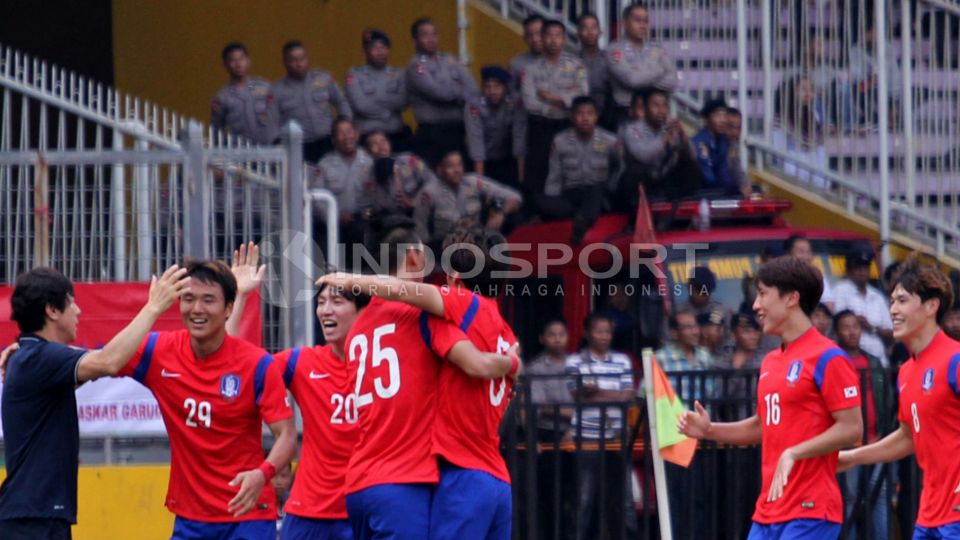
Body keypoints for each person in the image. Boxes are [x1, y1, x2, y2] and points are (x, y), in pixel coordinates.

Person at [315, 216, 518, 540]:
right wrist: (511, 363)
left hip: (359, 483)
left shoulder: (359, 328)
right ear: (414, 257)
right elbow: (478, 365)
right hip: (412, 482)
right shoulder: (434, 317)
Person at [679, 256, 863, 540]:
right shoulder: (771, 361)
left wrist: (795, 452)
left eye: (763, 294)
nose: (756, 305)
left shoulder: (829, 357)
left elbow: (852, 427)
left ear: (791, 298)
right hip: (768, 509)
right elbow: (763, 425)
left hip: (810, 510)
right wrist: (709, 430)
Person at [0, 266, 188, 540]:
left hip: (35, 515)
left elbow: (96, 361)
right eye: (71, 303)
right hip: (32, 519)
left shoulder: (33, 357)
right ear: (52, 310)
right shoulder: (39, 358)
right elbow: (109, 361)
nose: (78, 311)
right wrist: (153, 307)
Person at [117, 259, 298, 539]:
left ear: (228, 308)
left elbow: (286, 436)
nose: (197, 309)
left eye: (208, 300)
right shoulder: (158, 351)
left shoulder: (258, 364)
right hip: (191, 517)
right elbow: (101, 360)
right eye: (188, 298)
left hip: (247, 514)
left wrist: (262, 473)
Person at [225, 244, 367, 540]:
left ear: (362, 311)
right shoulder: (302, 362)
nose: (325, 310)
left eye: (337, 302)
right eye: (321, 301)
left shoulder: (382, 366)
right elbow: (232, 362)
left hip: (363, 507)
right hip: (308, 510)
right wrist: (240, 295)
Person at [838, 253, 960, 539]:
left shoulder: (954, 359)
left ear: (931, 306)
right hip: (931, 512)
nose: (893, 309)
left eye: (902, 300)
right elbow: (908, 436)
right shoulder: (906, 371)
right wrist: (854, 457)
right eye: (892, 300)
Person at [565, 312, 637, 540]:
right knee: (584, 498)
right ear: (587, 333)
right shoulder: (574, 361)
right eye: (599, 331)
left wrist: (597, 393)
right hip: (585, 437)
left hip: (616, 436)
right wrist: (612, 394)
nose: (604, 336)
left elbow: (628, 395)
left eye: (607, 331)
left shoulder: (623, 361)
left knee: (624, 499)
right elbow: (576, 394)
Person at [833, 309, 889, 540]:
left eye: (855, 326)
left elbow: (886, 401)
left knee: (879, 497)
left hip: (876, 442)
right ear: (837, 331)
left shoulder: (873, 362)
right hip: (849, 446)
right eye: (846, 326)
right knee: (850, 500)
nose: (852, 331)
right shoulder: (834, 361)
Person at [521, 19, 589, 203]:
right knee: (539, 171)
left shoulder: (577, 65)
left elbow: (583, 93)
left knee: (569, 169)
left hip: (566, 126)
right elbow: (529, 102)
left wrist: (554, 98)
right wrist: (559, 105)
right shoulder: (530, 69)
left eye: (558, 35)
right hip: (540, 127)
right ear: (542, 38)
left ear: (564, 39)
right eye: (549, 36)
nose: (553, 40)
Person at [537, 96, 620, 245]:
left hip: (600, 194)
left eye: (590, 113)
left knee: (596, 191)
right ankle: (581, 217)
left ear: (596, 116)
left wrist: (611, 188)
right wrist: (551, 204)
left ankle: (581, 225)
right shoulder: (560, 141)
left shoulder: (610, 141)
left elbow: (620, 168)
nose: (585, 118)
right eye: (580, 114)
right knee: (539, 202)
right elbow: (554, 177)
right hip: (572, 196)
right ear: (572, 116)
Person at [413, 150, 521, 250]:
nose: (457, 170)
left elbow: (515, 197)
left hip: (477, 244)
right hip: (445, 249)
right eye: (450, 166)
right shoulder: (428, 193)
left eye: (459, 165)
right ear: (440, 169)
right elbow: (420, 230)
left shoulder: (474, 183)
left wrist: (500, 214)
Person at [406, 17, 478, 166]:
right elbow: (439, 93)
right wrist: (459, 90)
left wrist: (456, 91)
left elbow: (472, 87)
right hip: (432, 134)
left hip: (457, 132)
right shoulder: (416, 66)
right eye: (425, 35)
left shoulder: (449, 59)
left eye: (434, 34)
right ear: (415, 40)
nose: (431, 39)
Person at [272, 41, 351, 163]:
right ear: (285, 62)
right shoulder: (277, 91)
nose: (299, 64)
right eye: (293, 60)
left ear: (307, 58)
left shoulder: (324, 79)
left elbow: (342, 102)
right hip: (298, 147)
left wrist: (344, 123)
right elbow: (273, 123)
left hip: (327, 142)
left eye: (302, 59)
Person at [619, 88, 701, 206]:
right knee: (635, 174)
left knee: (690, 167)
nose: (661, 110)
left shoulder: (668, 127)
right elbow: (644, 156)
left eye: (664, 106)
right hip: (641, 179)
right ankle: (636, 219)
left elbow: (694, 156)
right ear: (646, 109)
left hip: (663, 177)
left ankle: (685, 210)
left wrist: (683, 136)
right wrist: (665, 137)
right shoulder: (633, 129)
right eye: (656, 105)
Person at [606, 3, 677, 126]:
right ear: (624, 23)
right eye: (637, 20)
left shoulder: (656, 48)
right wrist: (660, 71)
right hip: (626, 113)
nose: (643, 25)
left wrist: (642, 76)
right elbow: (632, 80)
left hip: (655, 116)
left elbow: (672, 81)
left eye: (646, 21)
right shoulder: (614, 50)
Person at [346, 30, 411, 153]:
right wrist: (386, 112)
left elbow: (403, 101)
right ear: (365, 51)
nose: (380, 52)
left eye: (383, 47)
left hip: (395, 136)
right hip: (366, 137)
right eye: (374, 48)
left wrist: (375, 102)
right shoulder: (354, 74)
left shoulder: (399, 74)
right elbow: (360, 105)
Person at [313, 117, 375, 244]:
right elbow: (317, 200)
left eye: (349, 131)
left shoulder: (370, 161)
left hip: (364, 222)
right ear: (334, 140)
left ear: (357, 134)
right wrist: (336, 217)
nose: (347, 137)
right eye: (341, 133)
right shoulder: (324, 164)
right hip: (333, 225)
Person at [465, 66, 525, 187]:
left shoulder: (514, 102)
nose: (492, 91)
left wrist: (521, 180)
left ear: (505, 88)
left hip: (507, 158)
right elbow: (476, 144)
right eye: (487, 86)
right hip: (481, 161)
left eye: (497, 86)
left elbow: (519, 139)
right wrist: (480, 183)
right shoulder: (474, 105)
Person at [833, 250, 893, 366]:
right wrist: (855, 322)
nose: (862, 272)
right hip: (850, 361)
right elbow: (836, 324)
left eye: (865, 268)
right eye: (858, 268)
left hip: (879, 362)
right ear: (849, 270)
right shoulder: (840, 290)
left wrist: (872, 328)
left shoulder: (877, 296)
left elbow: (891, 333)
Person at [212, 42, 279, 145]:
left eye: (241, 59)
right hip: (242, 154)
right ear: (225, 65)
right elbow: (216, 130)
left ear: (248, 61)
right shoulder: (222, 98)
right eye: (233, 60)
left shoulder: (264, 87)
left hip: (271, 150)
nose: (238, 64)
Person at [363, 130, 435, 216]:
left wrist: (415, 202)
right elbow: (368, 209)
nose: (381, 146)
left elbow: (433, 181)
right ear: (367, 150)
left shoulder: (409, 160)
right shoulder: (369, 177)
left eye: (383, 141)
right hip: (393, 222)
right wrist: (365, 216)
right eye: (374, 144)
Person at [656, 307, 714, 404]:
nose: (695, 332)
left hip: (702, 418)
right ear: (674, 333)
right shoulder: (660, 358)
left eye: (696, 326)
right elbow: (645, 394)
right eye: (688, 327)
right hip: (674, 418)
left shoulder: (705, 356)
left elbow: (714, 394)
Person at [528, 318, 574, 443]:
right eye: (552, 335)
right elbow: (540, 405)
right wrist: (570, 414)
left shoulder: (577, 364)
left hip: (579, 429)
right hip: (547, 431)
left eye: (561, 334)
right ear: (542, 339)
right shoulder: (536, 368)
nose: (557, 339)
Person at [713, 312, 764, 418]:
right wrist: (736, 367)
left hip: (761, 422)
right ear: (733, 335)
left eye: (756, 331)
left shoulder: (765, 360)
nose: (753, 336)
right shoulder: (723, 362)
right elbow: (720, 397)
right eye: (747, 331)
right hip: (733, 423)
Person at [691, 98, 744, 197]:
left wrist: (739, 189)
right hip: (698, 193)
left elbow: (724, 173)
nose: (723, 120)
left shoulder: (723, 141)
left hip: (715, 193)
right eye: (718, 116)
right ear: (707, 120)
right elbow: (708, 176)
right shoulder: (699, 142)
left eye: (724, 116)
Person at [577, 13, 611, 126]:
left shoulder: (609, 59)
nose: (590, 31)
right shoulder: (572, 62)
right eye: (585, 27)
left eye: (593, 27)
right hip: (579, 118)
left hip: (606, 117)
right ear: (578, 34)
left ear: (600, 32)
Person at [783, 235, 834, 310]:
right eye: (801, 252)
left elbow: (829, 305)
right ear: (788, 254)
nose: (806, 257)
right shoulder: (780, 277)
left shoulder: (818, 277)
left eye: (808, 252)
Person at [509, 15, 544, 94]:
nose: (535, 39)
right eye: (530, 35)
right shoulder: (516, 64)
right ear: (524, 38)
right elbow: (511, 93)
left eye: (538, 33)